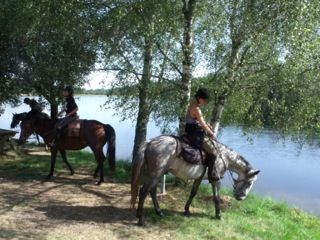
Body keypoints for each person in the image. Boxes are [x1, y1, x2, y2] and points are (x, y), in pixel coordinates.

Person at [185, 88, 220, 181]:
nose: (206, 102)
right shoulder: (196, 108)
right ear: (200, 98)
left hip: (190, 130)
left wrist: (207, 124)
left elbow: (200, 120)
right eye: (205, 100)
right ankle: (210, 175)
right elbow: (202, 123)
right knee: (213, 151)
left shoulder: (193, 104)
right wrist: (212, 133)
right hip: (195, 134)